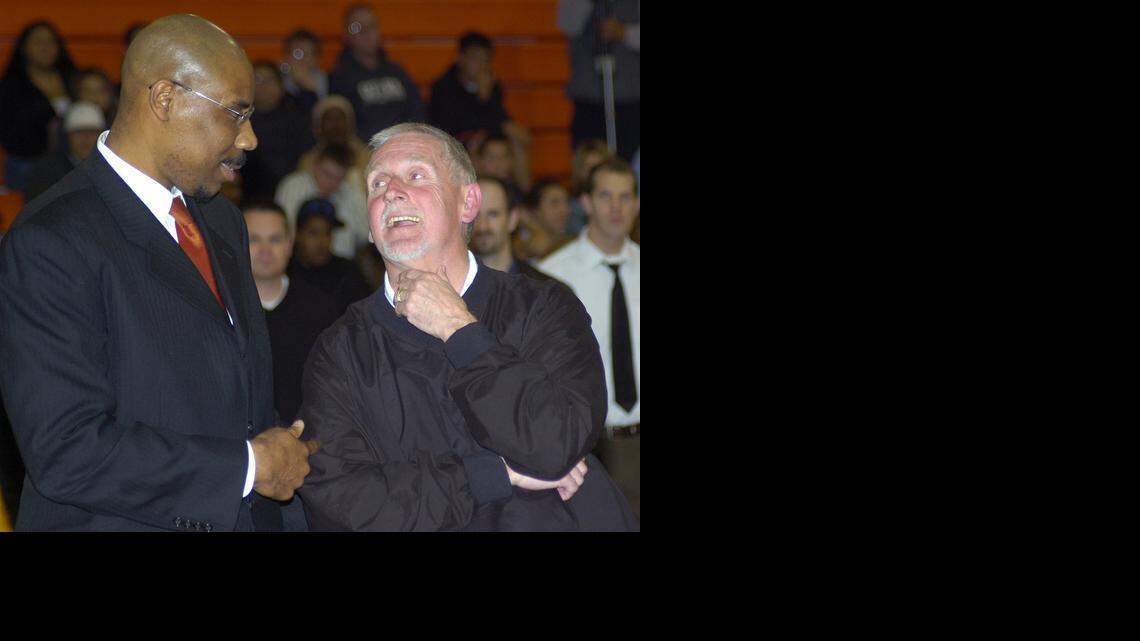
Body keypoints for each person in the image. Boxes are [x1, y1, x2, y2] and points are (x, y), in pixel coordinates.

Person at [0, 14, 319, 532]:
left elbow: (241, 404)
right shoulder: (50, 240)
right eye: (235, 113)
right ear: (165, 99)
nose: (251, 139)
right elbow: (67, 452)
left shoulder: (220, 219)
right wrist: (249, 467)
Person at [296, 122, 637, 531]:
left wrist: (458, 328)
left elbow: (554, 444)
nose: (391, 191)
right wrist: (493, 474)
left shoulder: (545, 308)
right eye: (377, 183)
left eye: (417, 175)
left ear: (468, 202)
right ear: (369, 227)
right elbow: (342, 502)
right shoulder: (340, 350)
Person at [539, 157, 640, 521]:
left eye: (626, 197)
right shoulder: (551, 277)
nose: (616, 207)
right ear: (586, 203)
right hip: (588, 449)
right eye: (605, 196)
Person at [243, 202, 340, 424]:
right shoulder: (218, 311)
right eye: (253, 239)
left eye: (275, 239)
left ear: (289, 245)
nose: (265, 250)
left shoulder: (322, 310)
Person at [557, 0, 640, 162]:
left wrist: (625, 32)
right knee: (588, 157)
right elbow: (567, 25)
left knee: (630, 158)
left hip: (631, 97)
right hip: (588, 98)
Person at [328, 4, 426, 140]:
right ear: (346, 35)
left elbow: (417, 112)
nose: (366, 32)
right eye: (357, 27)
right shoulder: (339, 78)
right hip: (363, 154)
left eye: (371, 26)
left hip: (404, 145)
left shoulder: (397, 72)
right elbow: (342, 127)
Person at [0, 21, 77, 191]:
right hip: (27, 164)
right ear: (23, 48)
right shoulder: (9, 87)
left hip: (74, 161)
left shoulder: (73, 79)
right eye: (38, 42)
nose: (45, 47)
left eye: (50, 42)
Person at [428, 32, 531, 156]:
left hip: (486, 138)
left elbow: (500, 115)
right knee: (477, 142)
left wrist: (487, 97)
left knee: (517, 140)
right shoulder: (444, 87)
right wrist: (499, 124)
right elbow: (456, 123)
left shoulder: (491, 85)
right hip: (453, 144)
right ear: (460, 58)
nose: (481, 64)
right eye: (475, 58)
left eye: (485, 59)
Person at [276, 141, 369, 260]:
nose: (331, 183)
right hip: (296, 259)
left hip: (340, 264)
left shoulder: (349, 192)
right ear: (315, 166)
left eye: (338, 178)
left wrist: (353, 190)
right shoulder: (293, 186)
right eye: (327, 174)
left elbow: (364, 236)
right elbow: (283, 231)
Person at [241, 60, 315, 201]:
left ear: (281, 86)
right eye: (258, 80)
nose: (263, 86)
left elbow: (308, 156)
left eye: (269, 80)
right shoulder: (238, 119)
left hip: (289, 191)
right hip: (248, 193)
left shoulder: (296, 117)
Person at [286, 196, 373, 315]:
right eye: (313, 233)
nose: (321, 241)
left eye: (327, 233)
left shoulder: (347, 272)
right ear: (298, 234)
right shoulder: (285, 271)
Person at [470, 175, 554, 281]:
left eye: (493, 214)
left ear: (512, 219)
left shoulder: (543, 292)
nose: (482, 226)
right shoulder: (449, 286)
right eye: (475, 215)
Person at [22, 101, 105, 202]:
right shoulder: (46, 171)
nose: (86, 138)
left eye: (92, 132)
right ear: (67, 137)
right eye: (79, 132)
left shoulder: (110, 169)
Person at [513, 178, 573, 261]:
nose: (565, 210)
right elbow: (542, 246)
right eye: (554, 203)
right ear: (535, 210)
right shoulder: (522, 239)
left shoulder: (565, 236)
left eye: (566, 202)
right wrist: (531, 224)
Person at [565, 138, 612, 234]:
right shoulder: (569, 208)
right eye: (588, 167)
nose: (593, 172)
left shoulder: (617, 202)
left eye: (598, 167)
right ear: (579, 170)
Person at [280, 29, 328, 116]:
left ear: (317, 59)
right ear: (286, 56)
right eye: (297, 54)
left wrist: (309, 90)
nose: (302, 60)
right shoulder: (277, 83)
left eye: (308, 55)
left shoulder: (330, 83)